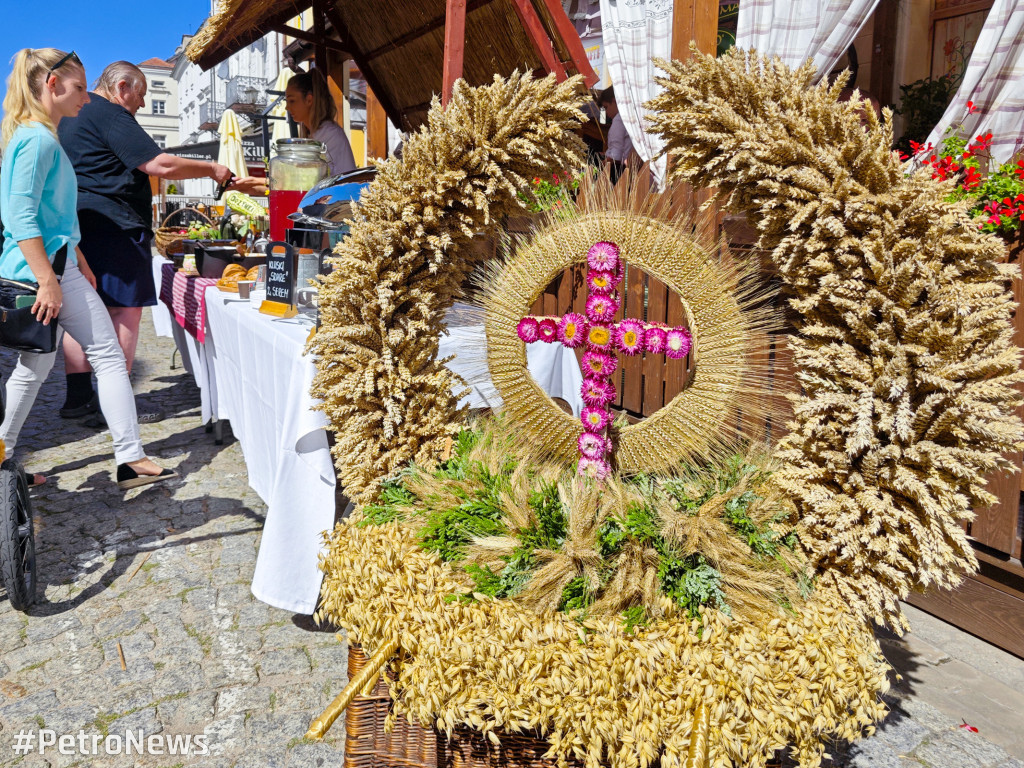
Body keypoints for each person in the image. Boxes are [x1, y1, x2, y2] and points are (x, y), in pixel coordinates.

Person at [0, 48, 174, 490]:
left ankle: (3, 456)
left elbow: (55, 214)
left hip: (56, 266)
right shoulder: (38, 140)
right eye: (79, 88)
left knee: (34, 367)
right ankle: (129, 456)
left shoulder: (38, 136)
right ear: (52, 86)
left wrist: (77, 259)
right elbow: (19, 215)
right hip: (45, 272)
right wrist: (49, 279)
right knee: (108, 358)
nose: (85, 98)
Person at [56, 61, 233, 421]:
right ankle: (115, 404)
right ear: (122, 87)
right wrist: (212, 168)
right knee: (124, 311)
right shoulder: (109, 114)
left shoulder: (73, 115)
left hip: (78, 224)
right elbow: (159, 165)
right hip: (116, 227)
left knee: (81, 312)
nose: (140, 105)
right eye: (140, 96)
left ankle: (77, 398)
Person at [230, 68, 356, 195]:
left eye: (292, 100)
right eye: (287, 101)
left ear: (309, 100)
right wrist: (251, 183)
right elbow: (296, 182)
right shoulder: (315, 133)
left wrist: (254, 182)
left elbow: (304, 180)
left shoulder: (328, 134)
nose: (287, 107)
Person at [599, 87, 634, 184]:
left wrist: (602, 164)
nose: (605, 112)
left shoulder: (619, 120)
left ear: (614, 101)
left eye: (606, 107)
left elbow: (616, 155)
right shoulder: (628, 117)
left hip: (617, 170)